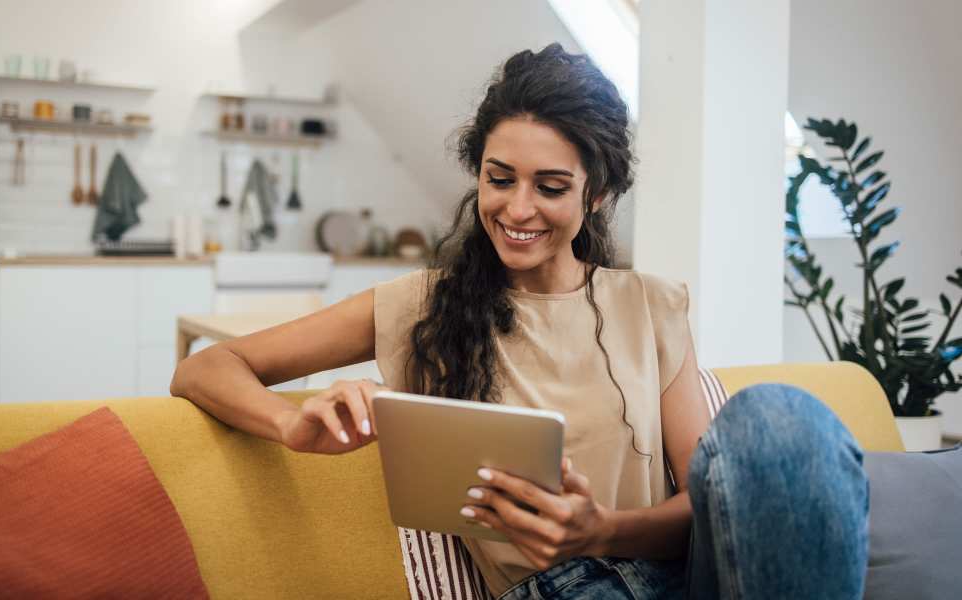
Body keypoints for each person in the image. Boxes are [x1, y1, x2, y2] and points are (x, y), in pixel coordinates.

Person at [170, 43, 869, 599]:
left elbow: (706, 506)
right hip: (560, 592)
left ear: (597, 194)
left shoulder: (652, 307)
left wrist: (602, 531)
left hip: (689, 579)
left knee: (780, 417)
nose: (517, 208)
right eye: (499, 179)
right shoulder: (424, 304)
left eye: (551, 186)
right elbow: (204, 368)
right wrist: (291, 426)